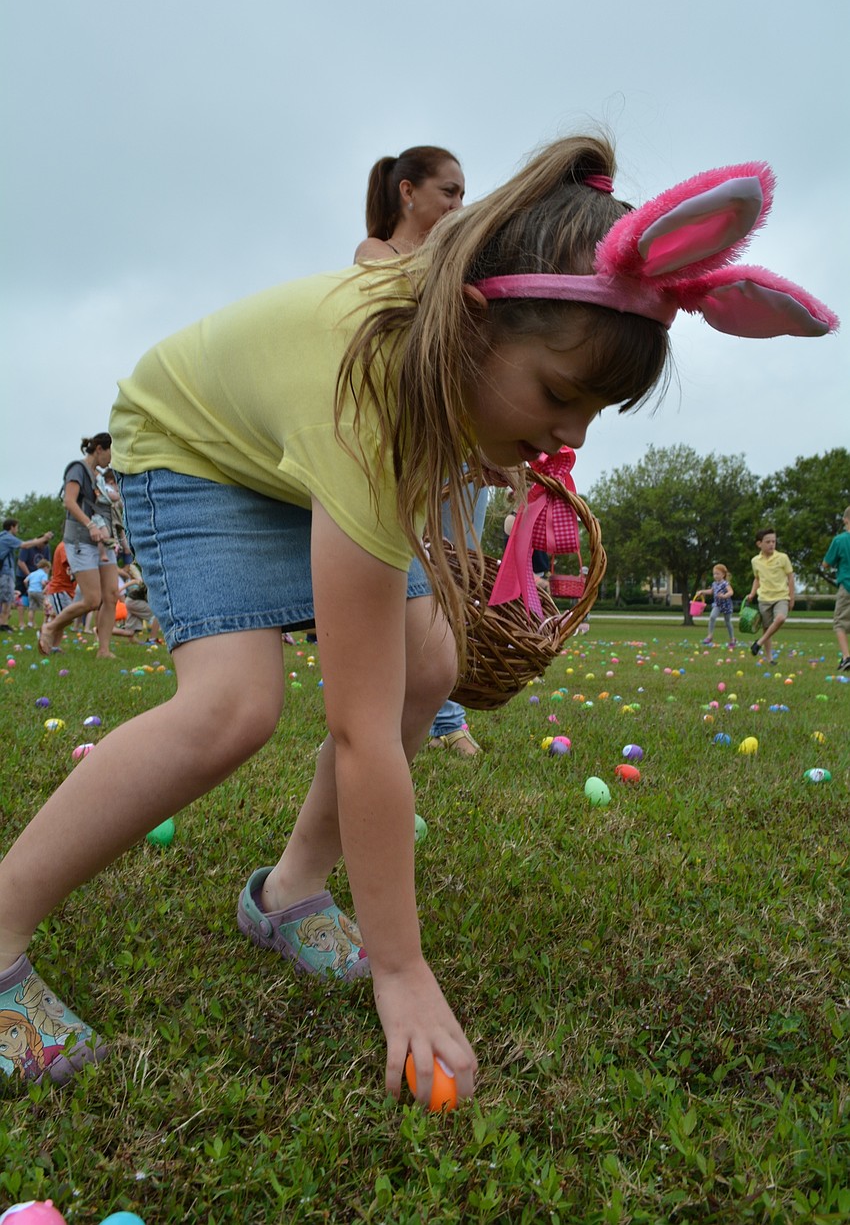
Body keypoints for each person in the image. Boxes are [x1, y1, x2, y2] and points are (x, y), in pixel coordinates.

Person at [0, 136, 837, 1097]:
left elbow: (397, 674)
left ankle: (287, 893)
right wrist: (402, 969)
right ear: (473, 324)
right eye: (560, 394)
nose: (569, 435)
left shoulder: (430, 376)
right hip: (191, 450)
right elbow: (360, 732)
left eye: (593, 412)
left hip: (284, 450)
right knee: (234, 707)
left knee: (429, 669)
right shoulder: (367, 398)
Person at [356, 146, 482, 756]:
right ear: (407, 193)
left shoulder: (453, 266)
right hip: (391, 461)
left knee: (452, 582)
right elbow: (398, 309)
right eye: (449, 193)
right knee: (408, 591)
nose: (459, 205)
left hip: (447, 451)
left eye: (463, 195)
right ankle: (431, 725)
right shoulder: (376, 254)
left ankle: (439, 720)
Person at [37, 434, 121, 659]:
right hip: (80, 540)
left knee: (111, 595)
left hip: (104, 542)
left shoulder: (100, 477)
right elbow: (69, 502)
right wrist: (90, 525)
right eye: (110, 454)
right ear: (100, 449)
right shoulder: (77, 469)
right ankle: (50, 627)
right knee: (92, 600)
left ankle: (103, 650)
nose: (110, 461)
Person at [746, 528, 794, 662]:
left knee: (781, 618)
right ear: (759, 544)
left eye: (773, 541)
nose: (772, 544)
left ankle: (759, 643)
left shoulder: (783, 558)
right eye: (768, 542)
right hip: (764, 598)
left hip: (781, 597)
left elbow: (790, 578)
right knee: (767, 628)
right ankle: (769, 658)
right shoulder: (755, 561)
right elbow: (757, 578)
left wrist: (792, 598)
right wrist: (752, 593)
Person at [0, 519, 53, 632]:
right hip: (5, 573)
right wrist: (43, 539)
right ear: (12, 527)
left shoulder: (3, 537)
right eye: (17, 527)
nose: (17, 530)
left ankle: (3, 623)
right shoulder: (7, 537)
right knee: (6, 599)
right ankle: (3, 624)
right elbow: (24, 545)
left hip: (5, 573)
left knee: (6, 598)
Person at [822, 505, 850, 672]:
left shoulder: (839, 540)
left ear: (845, 520)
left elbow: (826, 563)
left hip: (847, 586)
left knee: (839, 623)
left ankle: (846, 657)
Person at [693, 563, 735, 648]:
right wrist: (702, 591)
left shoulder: (725, 584)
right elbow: (711, 591)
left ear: (723, 575)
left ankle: (732, 639)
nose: (715, 576)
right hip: (717, 605)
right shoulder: (714, 583)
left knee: (727, 622)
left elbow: (731, 592)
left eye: (717, 574)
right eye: (714, 574)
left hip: (726, 605)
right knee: (712, 617)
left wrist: (724, 596)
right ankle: (710, 636)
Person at [43, 540, 76, 625]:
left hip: (68, 589)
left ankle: (48, 632)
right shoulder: (65, 546)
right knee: (63, 618)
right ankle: (45, 631)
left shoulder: (71, 546)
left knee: (64, 619)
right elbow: (70, 566)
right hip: (60, 589)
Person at [23, 559, 51, 630]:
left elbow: (25, 581)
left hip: (30, 591)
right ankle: (46, 622)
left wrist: (28, 588)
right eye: (48, 569)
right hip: (38, 591)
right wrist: (45, 588)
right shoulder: (44, 574)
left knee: (31, 608)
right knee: (46, 606)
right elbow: (43, 583)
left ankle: (30, 623)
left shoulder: (32, 573)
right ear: (45, 567)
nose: (48, 571)